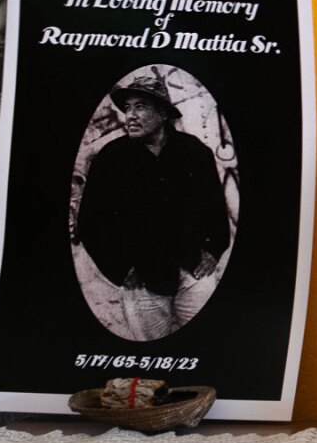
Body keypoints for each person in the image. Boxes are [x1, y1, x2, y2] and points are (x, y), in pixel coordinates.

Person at [75, 72, 230, 341]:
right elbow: (90, 221)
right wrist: (120, 268)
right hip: (143, 282)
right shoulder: (111, 158)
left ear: (162, 114)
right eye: (127, 108)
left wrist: (213, 249)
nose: (130, 116)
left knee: (203, 346)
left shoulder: (194, 152)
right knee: (153, 355)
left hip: (193, 273)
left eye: (141, 107)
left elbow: (215, 207)